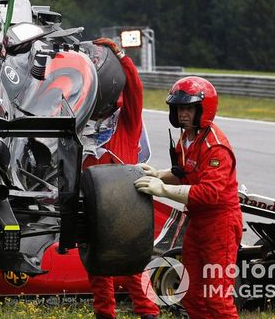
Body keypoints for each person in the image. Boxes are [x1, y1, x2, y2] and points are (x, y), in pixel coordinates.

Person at [134, 76, 241, 319]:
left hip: (219, 224)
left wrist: (162, 190)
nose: (183, 113)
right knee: (190, 292)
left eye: (189, 108)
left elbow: (208, 193)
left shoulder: (216, 147)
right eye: (179, 108)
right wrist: (160, 175)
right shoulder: (188, 138)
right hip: (197, 223)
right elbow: (185, 173)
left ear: (203, 109)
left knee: (217, 296)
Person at [82, 38, 160, 319]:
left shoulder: (126, 117)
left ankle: (149, 312)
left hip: (127, 202)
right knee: (96, 266)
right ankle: (105, 314)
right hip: (92, 200)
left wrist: (122, 57)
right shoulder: (78, 118)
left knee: (136, 265)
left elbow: (136, 89)